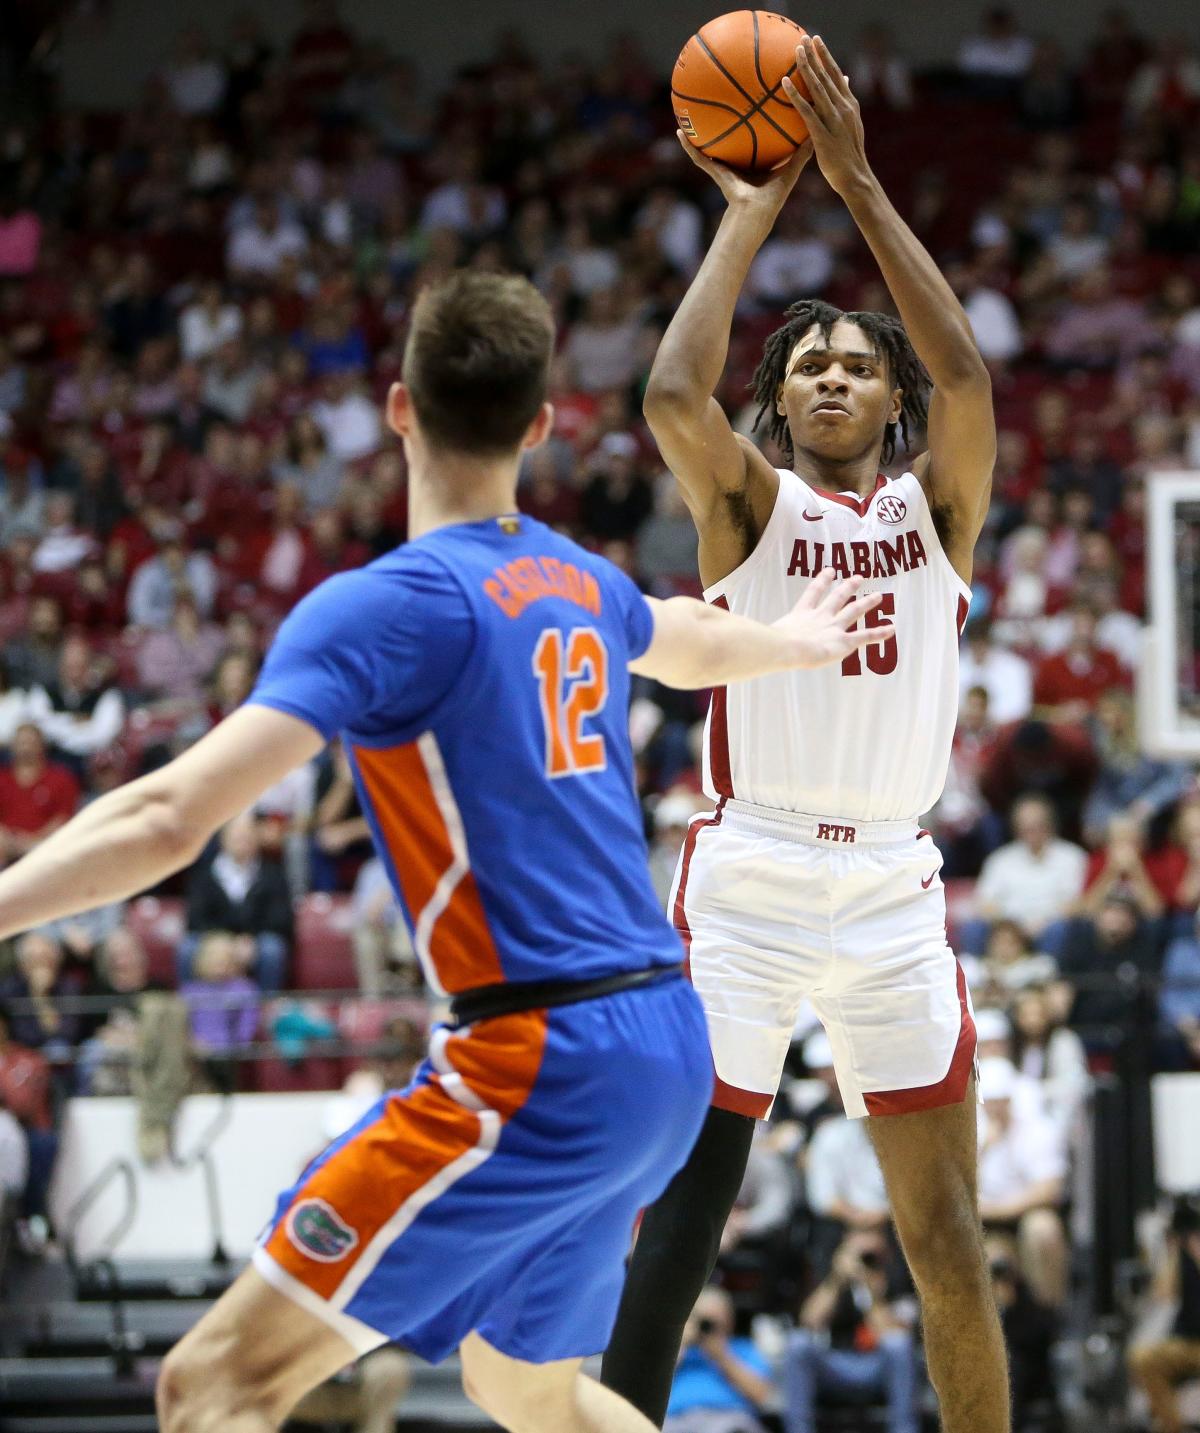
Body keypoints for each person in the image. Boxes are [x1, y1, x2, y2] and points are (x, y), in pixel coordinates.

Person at [0, 269, 888, 1433]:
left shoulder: (388, 603)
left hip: (537, 1053)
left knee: (210, 1385)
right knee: (523, 1389)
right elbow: (681, 639)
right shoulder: (576, 575)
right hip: (667, 1044)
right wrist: (791, 640)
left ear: (399, 408)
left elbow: (168, 819)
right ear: (540, 425)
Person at [602, 36, 1007, 1433]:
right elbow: (669, 397)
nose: (836, 377)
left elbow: (972, 380)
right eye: (812, 366)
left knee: (947, 1241)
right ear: (784, 404)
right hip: (751, 884)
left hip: (896, 889)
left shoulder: (936, 514)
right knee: (688, 1220)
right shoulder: (751, 511)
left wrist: (859, 182)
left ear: (891, 402)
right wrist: (751, 210)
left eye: (857, 365)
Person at [784, 1229, 919, 1433]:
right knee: (798, 1343)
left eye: (870, 1255)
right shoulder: (834, 1277)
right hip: (836, 1364)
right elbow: (809, 1321)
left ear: (885, 1253)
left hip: (878, 1367)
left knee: (898, 1344)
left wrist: (869, 1292)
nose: (864, 1261)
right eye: (859, 1254)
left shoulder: (899, 1277)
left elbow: (893, 1334)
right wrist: (837, 1279)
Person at [1128, 1195, 1200, 1433]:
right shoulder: (1181, 1256)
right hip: (1187, 1344)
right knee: (1142, 1357)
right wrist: (1173, 1251)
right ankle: (1172, 1427)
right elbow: (1163, 1294)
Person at [665, 1286, 774, 1433]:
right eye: (702, 1320)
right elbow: (649, 1387)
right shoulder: (678, 1351)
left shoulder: (743, 1349)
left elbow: (762, 1396)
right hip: (675, 1421)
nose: (706, 1328)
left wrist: (721, 1356)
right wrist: (680, 1344)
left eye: (714, 1321)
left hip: (728, 1419)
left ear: (729, 1321)